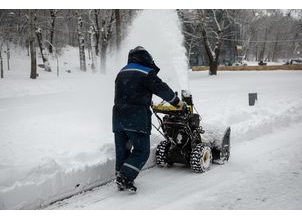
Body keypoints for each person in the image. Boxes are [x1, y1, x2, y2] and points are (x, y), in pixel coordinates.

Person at [112, 46, 183, 192]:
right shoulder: (146, 72)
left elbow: (129, 92)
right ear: (145, 58)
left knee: (122, 150)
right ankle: (125, 176)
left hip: (118, 118)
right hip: (136, 118)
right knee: (142, 150)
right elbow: (161, 88)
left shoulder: (122, 72)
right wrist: (176, 101)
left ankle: (120, 175)